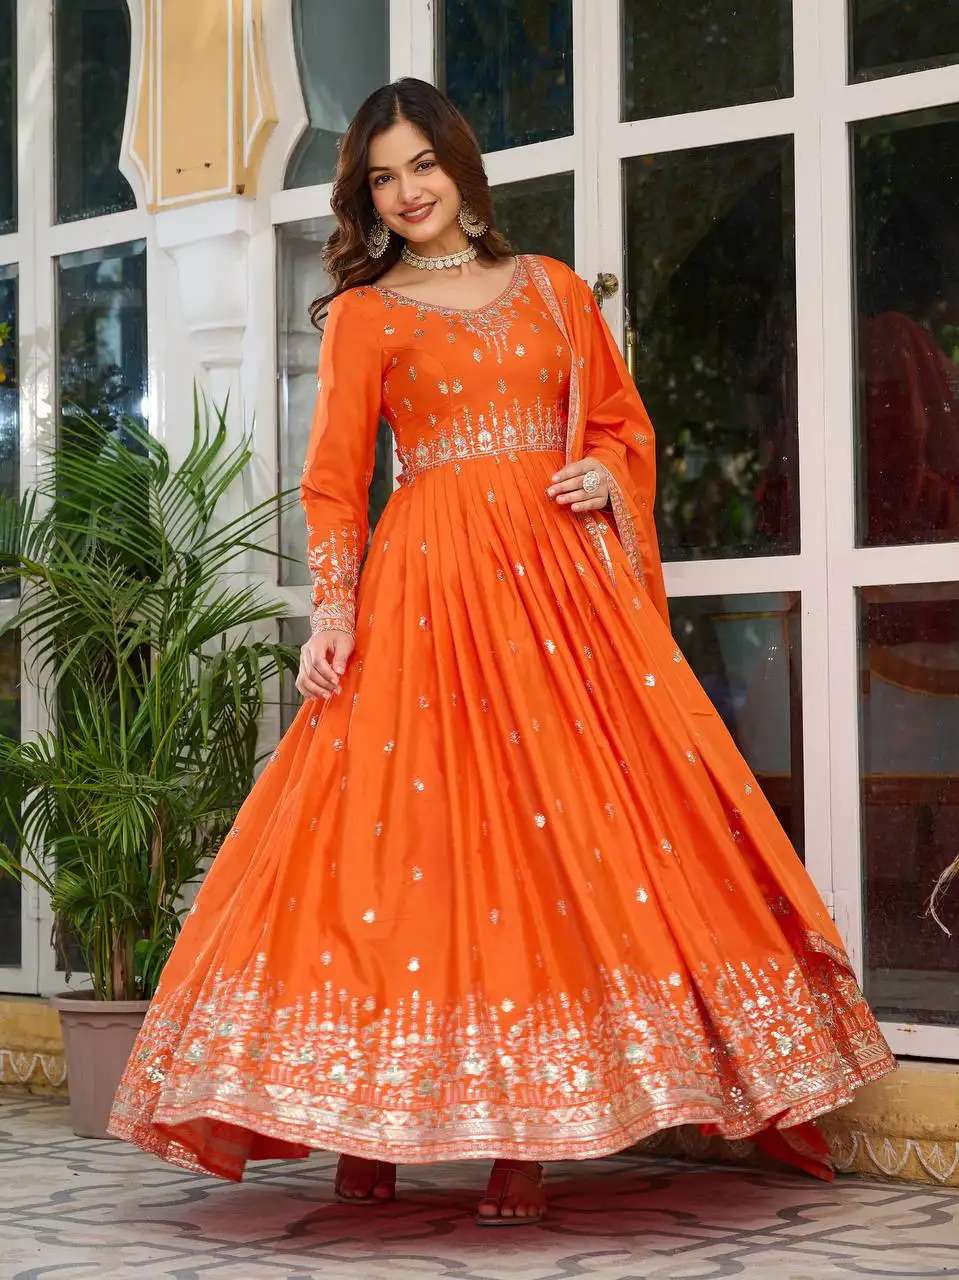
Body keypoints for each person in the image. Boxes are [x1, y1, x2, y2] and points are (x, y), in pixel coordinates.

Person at [107, 77, 897, 1226]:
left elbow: (622, 425)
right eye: (382, 176)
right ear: (366, 195)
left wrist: (604, 474)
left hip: (557, 603)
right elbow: (334, 482)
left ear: (459, 165)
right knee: (396, 853)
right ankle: (365, 1123)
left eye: (421, 164)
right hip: (424, 595)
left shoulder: (555, 293)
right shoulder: (365, 314)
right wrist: (333, 614)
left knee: (557, 844)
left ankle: (521, 1143)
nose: (405, 191)